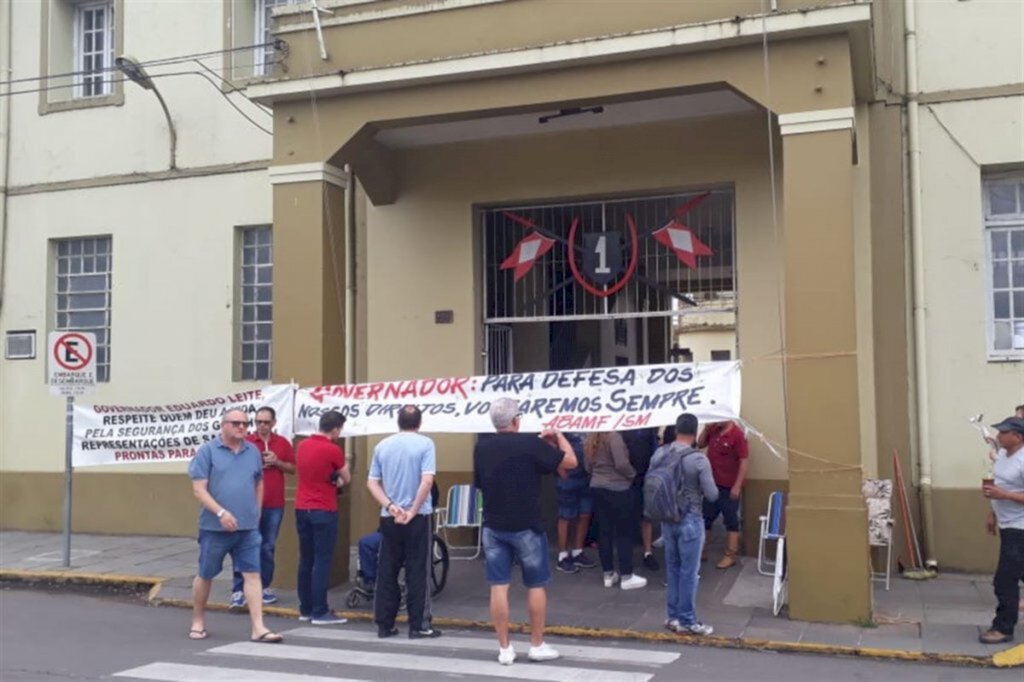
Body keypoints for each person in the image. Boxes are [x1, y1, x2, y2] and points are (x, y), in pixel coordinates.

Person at [473, 397, 576, 665]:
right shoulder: (531, 444)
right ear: (516, 421)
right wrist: (558, 436)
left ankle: (505, 648)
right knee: (536, 584)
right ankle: (536, 644)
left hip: (494, 524)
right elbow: (571, 462)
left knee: (498, 585)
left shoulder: (481, 448)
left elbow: (480, 484)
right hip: (527, 525)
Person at [187, 409, 282, 643]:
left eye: (245, 423)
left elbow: (258, 482)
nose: (242, 427)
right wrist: (220, 512)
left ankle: (258, 627)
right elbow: (199, 489)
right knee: (206, 573)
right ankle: (198, 620)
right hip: (214, 528)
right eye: (236, 423)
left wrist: (257, 511)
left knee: (252, 574)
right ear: (224, 425)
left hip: (247, 528)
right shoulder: (208, 452)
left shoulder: (252, 451)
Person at [367, 405, 442, 639]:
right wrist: (413, 510)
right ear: (419, 423)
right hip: (417, 517)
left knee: (387, 570)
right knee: (417, 570)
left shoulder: (382, 446)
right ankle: (419, 625)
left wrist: (390, 506)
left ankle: (384, 624)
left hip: (390, 516)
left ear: (397, 422)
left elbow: (372, 483)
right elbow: (427, 481)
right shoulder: (426, 444)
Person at [654, 413, 718, 636]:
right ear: (694, 431)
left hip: (666, 518)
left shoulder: (659, 453)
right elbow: (712, 494)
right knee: (689, 572)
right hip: (690, 518)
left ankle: (673, 617)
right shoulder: (698, 459)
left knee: (672, 568)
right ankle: (689, 621)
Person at [230, 406, 295, 608]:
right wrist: (257, 465)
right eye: (258, 422)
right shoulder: (246, 442)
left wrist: (278, 462)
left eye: (266, 422)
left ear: (274, 423)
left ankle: (264, 586)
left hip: (273, 503)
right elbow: (234, 469)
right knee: (243, 545)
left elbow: (293, 468)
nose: (262, 426)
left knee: (267, 546)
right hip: (248, 504)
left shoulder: (282, 443)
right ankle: (239, 589)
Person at [294, 411, 351, 625]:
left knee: (305, 559)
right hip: (324, 509)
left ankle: (305, 608)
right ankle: (320, 610)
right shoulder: (333, 450)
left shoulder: (302, 446)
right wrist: (337, 481)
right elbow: (346, 477)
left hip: (301, 507)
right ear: (335, 428)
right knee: (322, 560)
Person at [979, 416, 1024, 644]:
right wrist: (992, 513)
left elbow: (1004, 492)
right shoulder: (1004, 456)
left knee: (1004, 580)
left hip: (1020, 528)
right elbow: (1000, 485)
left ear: (1017, 437)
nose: (998, 435)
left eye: (1003, 432)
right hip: (1007, 524)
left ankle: (1003, 628)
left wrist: (1004, 496)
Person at [585, 431, 646, 590]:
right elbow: (621, 463)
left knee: (604, 532)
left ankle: (608, 574)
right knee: (623, 532)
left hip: (597, 486)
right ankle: (626, 576)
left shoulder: (591, 438)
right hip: (617, 488)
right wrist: (633, 475)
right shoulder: (614, 437)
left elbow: (588, 465)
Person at [697, 420, 749, 569]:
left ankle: (730, 555)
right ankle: (702, 550)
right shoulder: (713, 429)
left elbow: (744, 461)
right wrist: (706, 429)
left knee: (731, 520)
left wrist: (737, 486)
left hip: (729, 486)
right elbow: (700, 444)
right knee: (705, 518)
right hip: (711, 484)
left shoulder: (737, 435)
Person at [555, 432, 596, 573]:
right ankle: (563, 555)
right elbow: (553, 445)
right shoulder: (564, 420)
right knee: (565, 516)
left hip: (587, 475)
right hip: (569, 476)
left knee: (585, 514)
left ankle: (577, 551)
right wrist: (561, 471)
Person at [622, 427, 660, 572]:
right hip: (626, 477)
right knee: (627, 515)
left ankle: (647, 552)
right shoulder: (623, 428)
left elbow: (655, 449)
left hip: (645, 476)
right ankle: (626, 553)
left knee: (646, 515)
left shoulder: (649, 429)